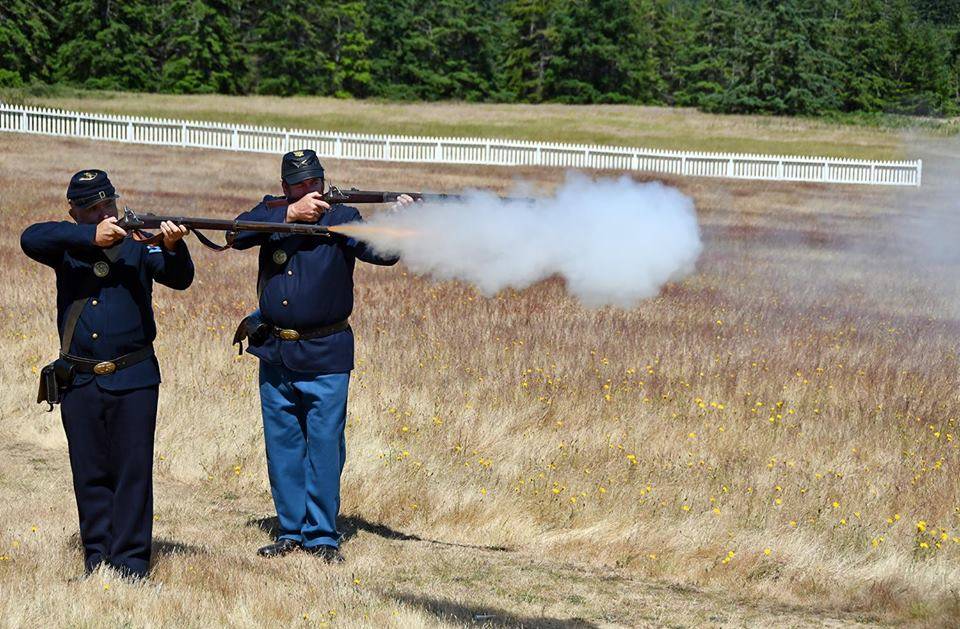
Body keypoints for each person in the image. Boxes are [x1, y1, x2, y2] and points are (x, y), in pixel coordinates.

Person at [231, 150, 411, 562]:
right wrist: (291, 215)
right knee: (283, 445)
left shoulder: (342, 216)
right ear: (285, 189)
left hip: (326, 349)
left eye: (314, 182)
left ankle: (323, 535)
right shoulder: (272, 213)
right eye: (300, 185)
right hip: (276, 349)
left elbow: (383, 255)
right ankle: (290, 530)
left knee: (325, 446)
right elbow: (237, 234)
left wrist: (400, 223)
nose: (309, 190)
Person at [21, 169, 193, 579]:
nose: (105, 213)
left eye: (109, 205)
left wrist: (172, 246)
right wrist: (89, 238)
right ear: (74, 212)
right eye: (94, 209)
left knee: (133, 473)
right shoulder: (67, 244)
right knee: (90, 471)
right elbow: (30, 237)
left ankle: (132, 563)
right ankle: (97, 558)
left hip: (134, 376)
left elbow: (180, 279)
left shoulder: (139, 242)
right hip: (79, 379)